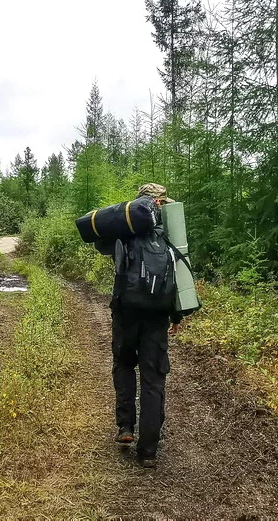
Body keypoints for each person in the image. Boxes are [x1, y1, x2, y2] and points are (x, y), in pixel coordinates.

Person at [95, 183, 183, 468]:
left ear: (139, 204)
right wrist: (177, 316)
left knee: (123, 364)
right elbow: (180, 272)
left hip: (126, 312)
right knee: (153, 377)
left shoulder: (125, 228)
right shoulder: (170, 231)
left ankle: (125, 428)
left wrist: (118, 220)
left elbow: (100, 244)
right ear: (161, 204)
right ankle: (148, 451)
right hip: (157, 316)